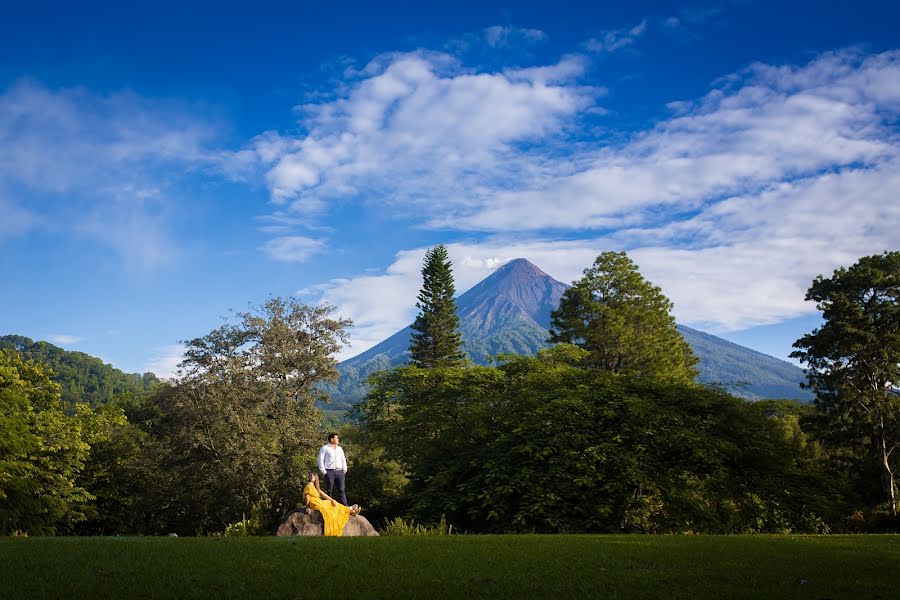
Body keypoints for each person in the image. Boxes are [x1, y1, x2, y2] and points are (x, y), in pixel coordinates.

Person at [303, 471, 360, 537]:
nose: (312, 476)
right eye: (310, 475)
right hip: (314, 503)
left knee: (331, 503)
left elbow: (324, 495)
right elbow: (307, 497)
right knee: (330, 506)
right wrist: (307, 507)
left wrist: (333, 500)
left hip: (318, 502)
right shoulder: (309, 485)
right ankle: (349, 509)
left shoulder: (316, 487)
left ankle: (350, 510)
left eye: (313, 475)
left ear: (316, 477)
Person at [318, 432, 348, 506]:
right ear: (331, 439)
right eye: (336, 438)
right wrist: (324, 471)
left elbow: (343, 459)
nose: (338, 439)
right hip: (329, 471)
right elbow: (320, 460)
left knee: (341, 489)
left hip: (340, 471)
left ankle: (345, 506)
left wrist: (344, 469)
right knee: (329, 489)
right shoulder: (324, 448)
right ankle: (328, 505)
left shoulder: (340, 449)